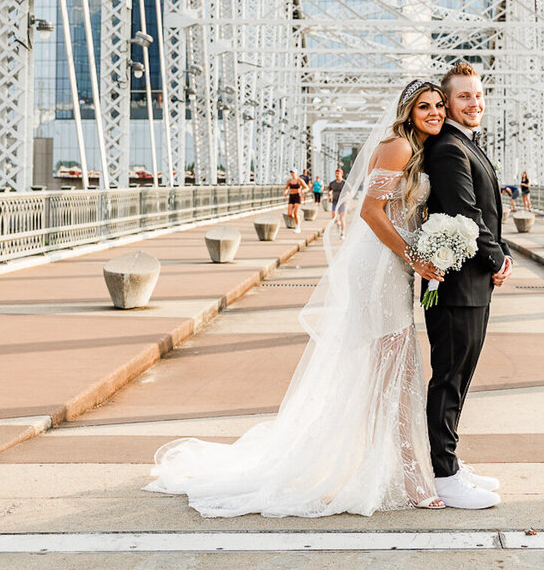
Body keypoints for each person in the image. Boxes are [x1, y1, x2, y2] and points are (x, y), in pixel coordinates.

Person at [146, 80, 450, 517]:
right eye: (425, 106)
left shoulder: (416, 147)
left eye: (440, 105)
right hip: (381, 268)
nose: (436, 112)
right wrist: (415, 257)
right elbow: (369, 211)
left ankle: (391, 465)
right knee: (393, 374)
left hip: (395, 265)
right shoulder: (398, 146)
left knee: (395, 370)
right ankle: (409, 475)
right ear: (408, 110)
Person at [420, 61, 510, 510]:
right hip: (457, 284)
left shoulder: (464, 144)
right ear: (449, 101)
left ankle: (449, 462)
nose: (474, 102)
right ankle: (442, 475)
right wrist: (498, 257)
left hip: (472, 283)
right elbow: (465, 213)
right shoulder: (449, 148)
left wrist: (502, 248)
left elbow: (488, 210)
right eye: (464, 96)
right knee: (450, 379)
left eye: (477, 94)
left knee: (459, 376)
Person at [285, 169, 308, 233]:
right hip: (291, 196)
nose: (292, 173)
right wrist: (285, 192)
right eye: (291, 172)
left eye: (293, 172)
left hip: (298, 196)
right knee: (289, 214)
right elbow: (286, 188)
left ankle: (298, 227)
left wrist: (303, 191)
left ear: (296, 173)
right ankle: (297, 219)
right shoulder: (289, 181)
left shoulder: (300, 180)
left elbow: (307, 187)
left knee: (295, 213)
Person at [327, 168, 347, 236]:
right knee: (333, 216)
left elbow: (351, 191)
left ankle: (342, 233)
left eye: (338, 173)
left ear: (341, 174)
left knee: (342, 218)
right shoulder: (332, 183)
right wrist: (329, 196)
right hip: (335, 202)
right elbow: (329, 190)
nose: (337, 175)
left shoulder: (344, 183)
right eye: (336, 173)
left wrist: (347, 199)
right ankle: (337, 223)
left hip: (342, 203)